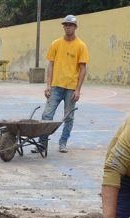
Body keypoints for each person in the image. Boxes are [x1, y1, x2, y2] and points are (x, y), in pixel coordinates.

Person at [38, 14, 89, 154]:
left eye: (70, 25)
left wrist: (78, 90)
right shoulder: (56, 44)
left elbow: (83, 69)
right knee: (46, 115)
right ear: (63, 27)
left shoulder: (81, 46)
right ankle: (42, 143)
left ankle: (63, 143)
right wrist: (48, 85)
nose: (68, 27)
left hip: (71, 89)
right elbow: (51, 65)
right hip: (55, 86)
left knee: (69, 117)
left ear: (75, 27)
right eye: (65, 25)